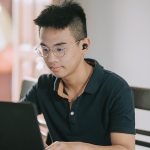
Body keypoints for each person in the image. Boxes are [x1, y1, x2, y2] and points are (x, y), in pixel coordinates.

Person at [22, 1, 135, 150]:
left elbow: (126, 149)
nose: (50, 59)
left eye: (60, 49)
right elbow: (14, 121)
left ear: (84, 46)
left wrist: (77, 147)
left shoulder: (116, 89)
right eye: (45, 49)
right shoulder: (44, 85)